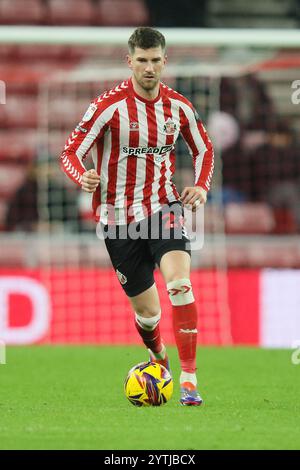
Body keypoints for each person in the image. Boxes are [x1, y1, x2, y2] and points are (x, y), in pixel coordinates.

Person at [60, 27, 214, 406]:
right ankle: (158, 356)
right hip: (117, 219)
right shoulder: (107, 107)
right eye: (142, 60)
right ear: (129, 61)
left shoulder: (179, 107)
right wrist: (84, 176)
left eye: (155, 60)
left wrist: (201, 186)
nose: (149, 68)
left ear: (165, 61)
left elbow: (204, 149)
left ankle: (190, 379)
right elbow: (70, 152)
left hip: (164, 209)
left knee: (180, 284)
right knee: (148, 315)